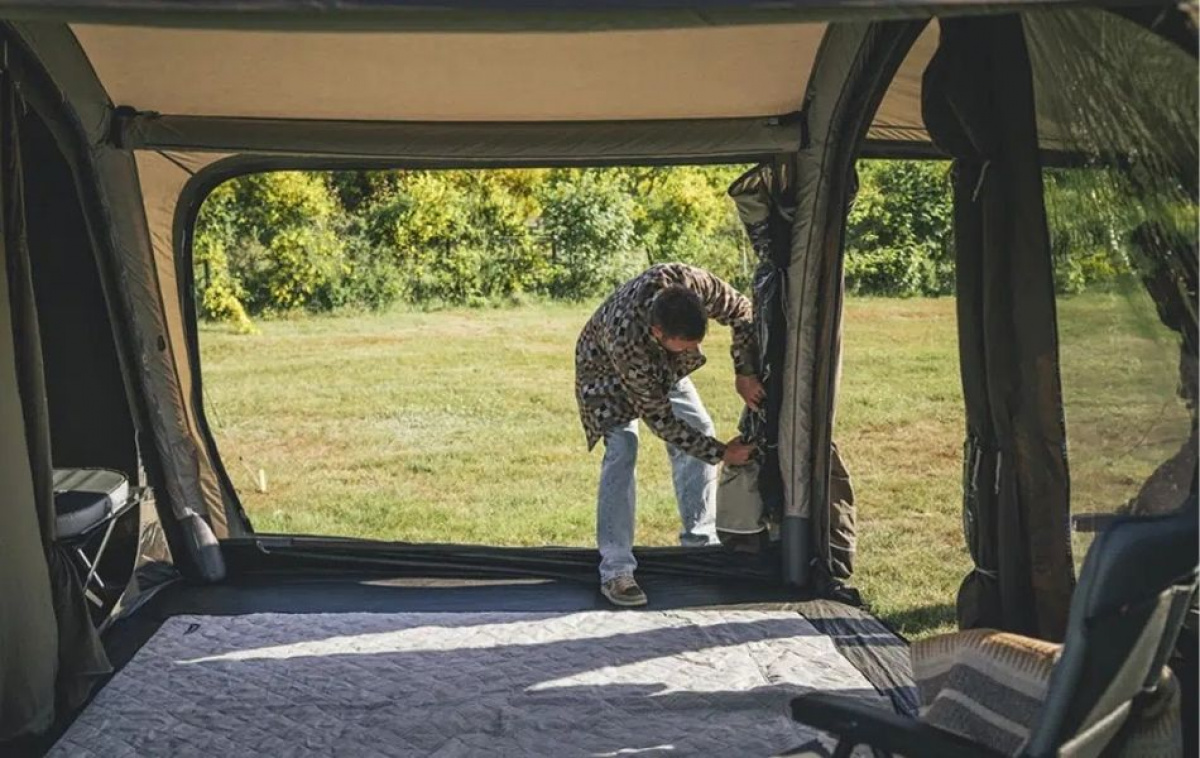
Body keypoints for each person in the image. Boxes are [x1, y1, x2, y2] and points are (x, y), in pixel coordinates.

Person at [574, 263, 764, 606]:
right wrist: (722, 453)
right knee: (623, 448)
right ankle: (616, 570)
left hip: (662, 370)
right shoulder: (627, 337)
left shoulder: (691, 283)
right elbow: (661, 421)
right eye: (684, 345)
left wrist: (744, 371)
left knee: (701, 425)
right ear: (658, 332)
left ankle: (700, 545)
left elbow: (743, 310)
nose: (692, 350)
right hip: (603, 373)